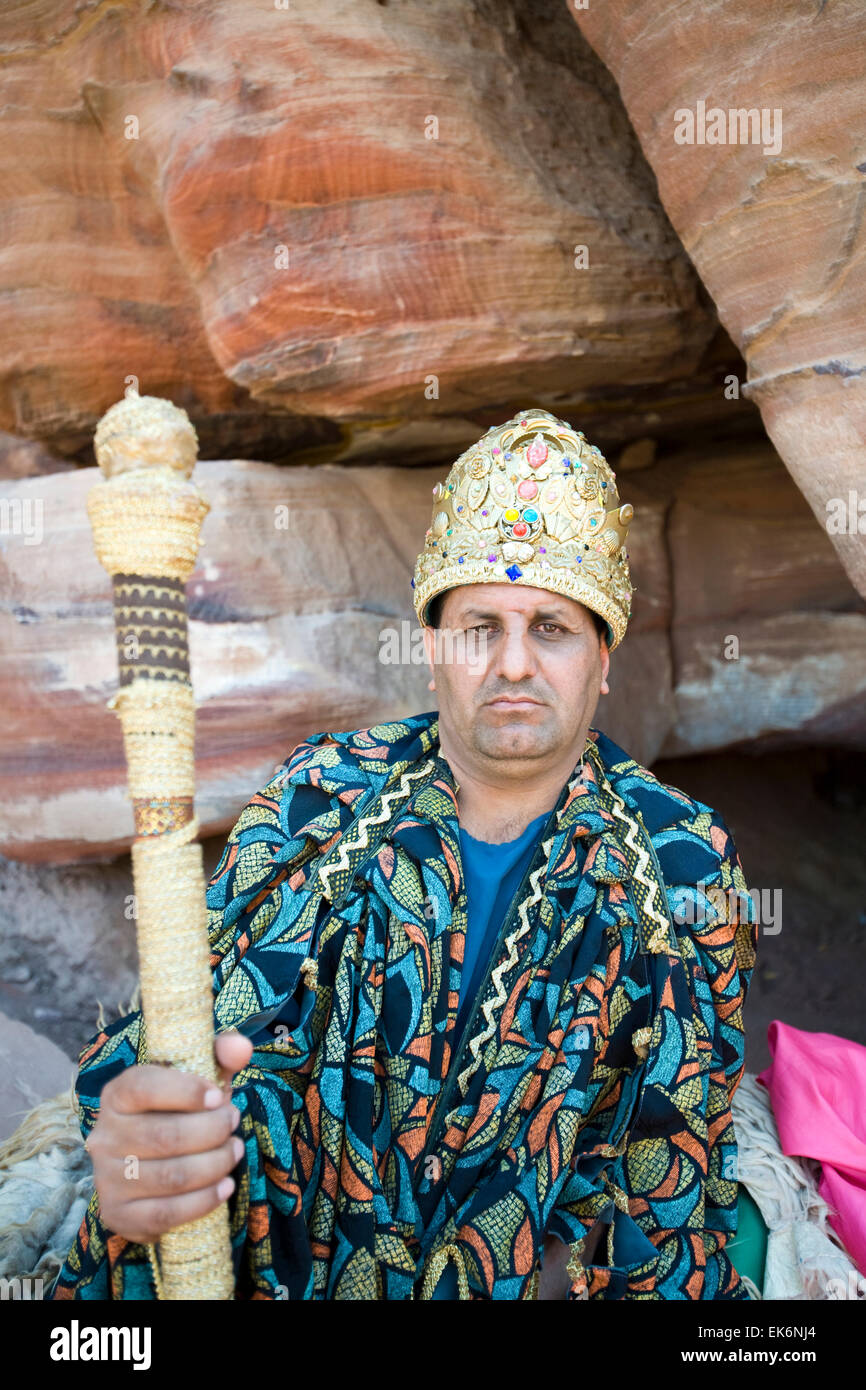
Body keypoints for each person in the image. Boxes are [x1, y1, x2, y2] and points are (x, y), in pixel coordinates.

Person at [52, 407, 757, 1300]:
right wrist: (153, 1135)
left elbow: (667, 1166)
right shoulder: (322, 797)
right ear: (431, 646)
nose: (511, 664)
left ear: (603, 657)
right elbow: (189, 1047)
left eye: (550, 628)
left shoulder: (684, 863)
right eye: (478, 627)